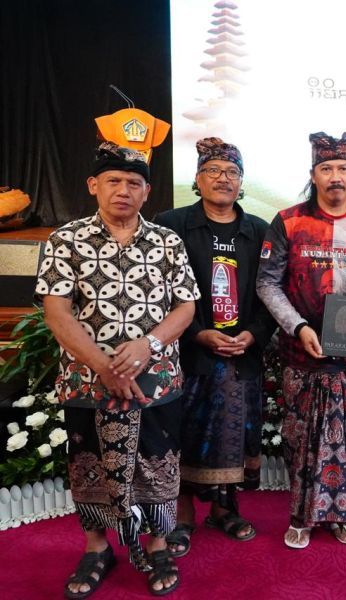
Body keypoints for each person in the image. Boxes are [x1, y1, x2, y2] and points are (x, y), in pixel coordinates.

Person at [36, 142, 200, 598]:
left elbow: (186, 306)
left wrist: (148, 346)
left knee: (157, 465)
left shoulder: (167, 241)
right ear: (94, 186)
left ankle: (159, 543)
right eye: (113, 181)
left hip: (157, 377)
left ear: (147, 191)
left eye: (133, 183)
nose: (123, 190)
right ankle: (96, 547)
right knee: (90, 466)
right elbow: (57, 312)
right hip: (88, 380)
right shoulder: (65, 240)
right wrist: (103, 366)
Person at [256, 131, 346, 549]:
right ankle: (300, 516)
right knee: (301, 438)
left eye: (343, 169)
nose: (335, 176)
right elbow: (267, 284)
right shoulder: (289, 221)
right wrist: (298, 327)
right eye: (326, 168)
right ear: (313, 174)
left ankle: (340, 516)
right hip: (301, 352)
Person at [155, 137, 276, 557]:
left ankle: (226, 510)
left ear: (241, 183)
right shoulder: (171, 225)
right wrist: (196, 333)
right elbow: (159, 292)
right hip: (189, 355)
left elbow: (269, 292)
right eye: (214, 171)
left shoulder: (259, 230)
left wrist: (255, 334)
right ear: (197, 179)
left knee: (237, 434)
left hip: (243, 357)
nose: (223, 179)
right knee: (185, 433)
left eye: (232, 173)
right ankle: (183, 516)